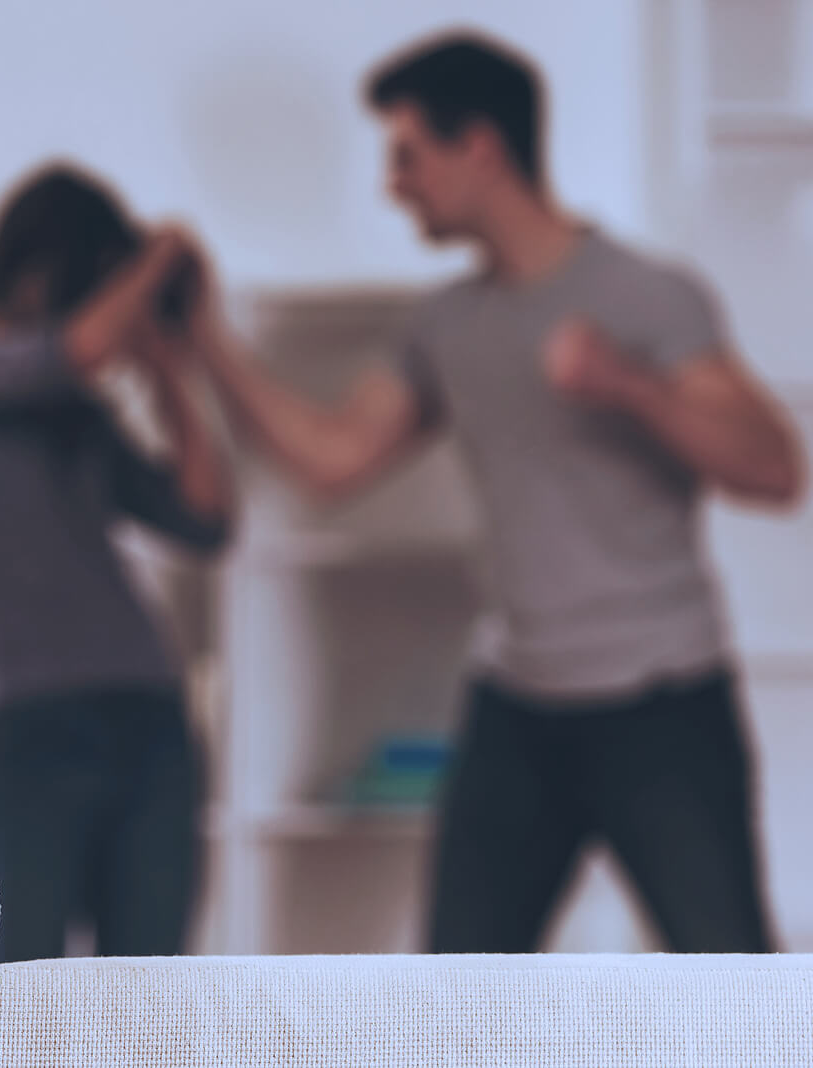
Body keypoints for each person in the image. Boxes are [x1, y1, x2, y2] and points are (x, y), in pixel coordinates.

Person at [190, 32, 804, 953]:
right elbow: (331, 458)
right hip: (519, 707)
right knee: (458, 994)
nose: (394, 184)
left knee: (735, 990)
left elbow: (774, 467)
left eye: (408, 155)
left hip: (663, 705)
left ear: (479, 145)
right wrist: (204, 339)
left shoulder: (646, 295)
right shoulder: (448, 327)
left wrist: (631, 384)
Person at [0, 163, 234, 961]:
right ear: (37, 275)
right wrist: (158, 260)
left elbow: (207, 517)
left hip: (149, 715)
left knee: (150, 1002)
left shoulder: (74, 406)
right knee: (11, 992)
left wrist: (168, 363)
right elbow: (77, 347)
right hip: (22, 725)